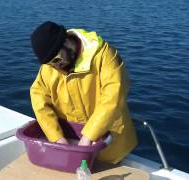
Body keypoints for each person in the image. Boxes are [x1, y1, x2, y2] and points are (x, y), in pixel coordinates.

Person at [29, 21, 137, 164]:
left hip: (110, 147)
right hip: (71, 147)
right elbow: (38, 98)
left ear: (67, 42)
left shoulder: (104, 55)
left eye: (57, 60)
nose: (56, 66)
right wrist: (58, 139)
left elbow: (113, 98)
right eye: (50, 63)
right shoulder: (51, 66)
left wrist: (88, 137)